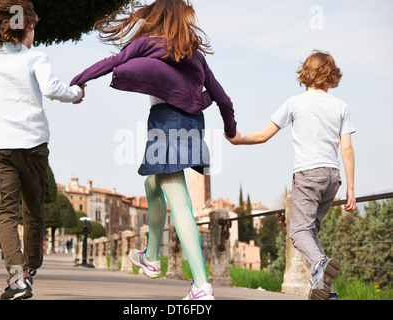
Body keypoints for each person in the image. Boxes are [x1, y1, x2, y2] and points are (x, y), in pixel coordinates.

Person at [70, 0, 237, 300]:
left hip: (166, 126)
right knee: (152, 182)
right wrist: (230, 128)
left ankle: (201, 285)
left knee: (179, 199)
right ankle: (152, 257)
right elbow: (222, 97)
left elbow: (111, 62)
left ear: (157, 17)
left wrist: (77, 83)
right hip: (192, 126)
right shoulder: (194, 54)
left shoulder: (148, 43)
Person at [0, 0, 85, 300]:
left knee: (4, 213)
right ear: (28, 28)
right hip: (33, 144)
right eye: (33, 28)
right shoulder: (36, 58)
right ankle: (32, 266)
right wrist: (76, 93)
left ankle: (18, 277)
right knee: (33, 209)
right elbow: (51, 89)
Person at [225, 50, 356, 300]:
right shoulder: (341, 106)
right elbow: (347, 148)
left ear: (306, 73)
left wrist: (237, 140)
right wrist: (351, 188)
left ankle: (319, 266)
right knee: (310, 232)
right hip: (333, 177)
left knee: (297, 231)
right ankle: (328, 292)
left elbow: (264, 135)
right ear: (330, 76)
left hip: (308, 174)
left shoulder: (295, 103)